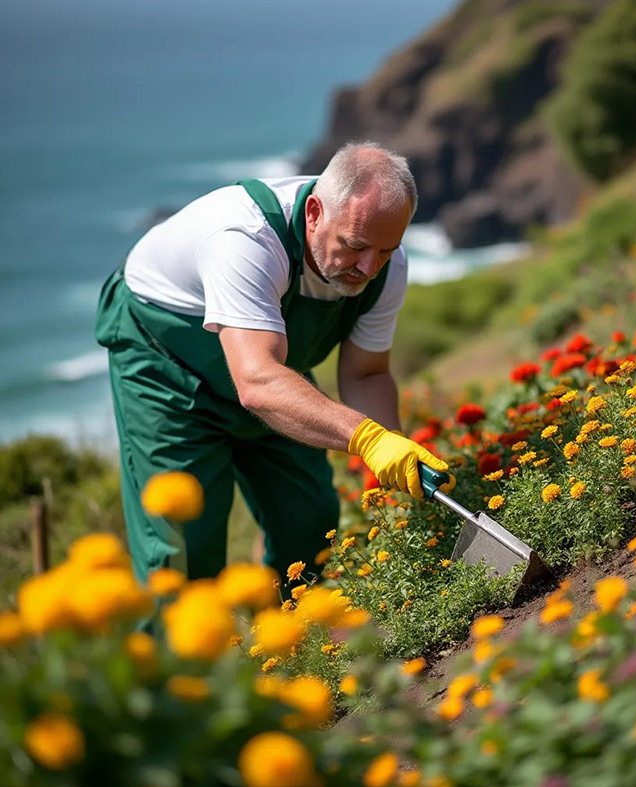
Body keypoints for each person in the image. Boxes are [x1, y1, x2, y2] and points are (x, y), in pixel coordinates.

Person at [95, 142, 449, 585]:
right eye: (356, 246)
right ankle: (187, 652)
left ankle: (285, 644)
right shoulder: (246, 239)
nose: (368, 267)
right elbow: (258, 383)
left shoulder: (387, 265)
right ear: (315, 212)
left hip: (270, 368)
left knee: (309, 519)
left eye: (384, 250)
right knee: (185, 548)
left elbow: (366, 372)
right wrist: (367, 439)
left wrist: (395, 459)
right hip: (168, 371)